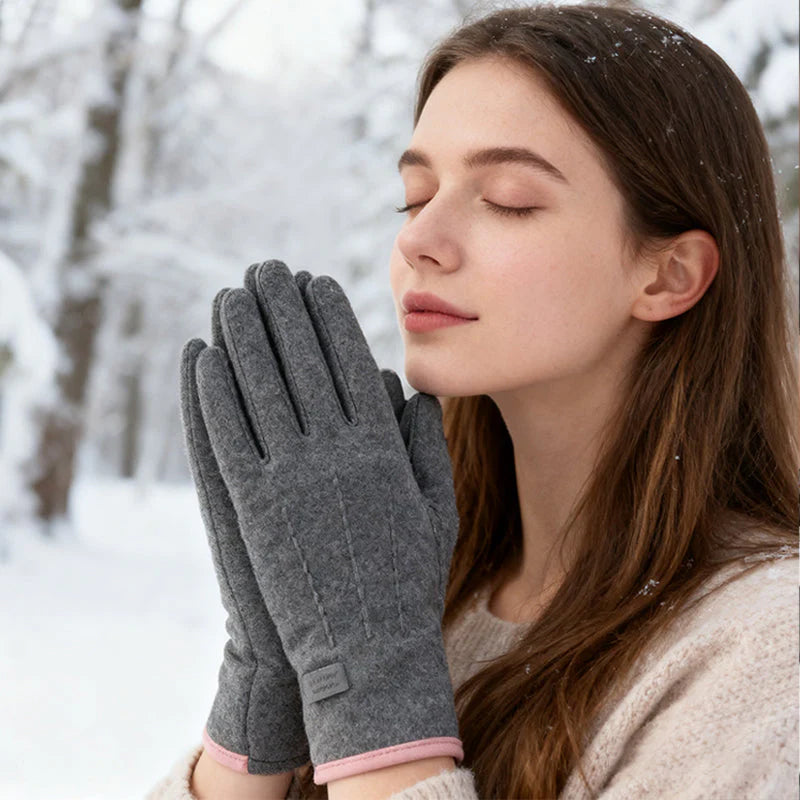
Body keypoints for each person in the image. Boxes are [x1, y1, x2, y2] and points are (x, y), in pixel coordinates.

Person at [147, 3, 799, 799]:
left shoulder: (769, 655)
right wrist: (266, 681)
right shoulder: (411, 583)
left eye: (509, 199)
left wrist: (378, 692)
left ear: (669, 274)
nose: (419, 239)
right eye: (416, 196)